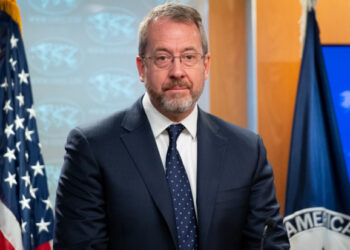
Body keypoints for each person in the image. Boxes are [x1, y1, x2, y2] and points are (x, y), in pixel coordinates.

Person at [54, 2, 290, 250]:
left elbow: (269, 244)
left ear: (206, 65)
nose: (177, 71)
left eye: (189, 57)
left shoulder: (247, 151)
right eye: (163, 58)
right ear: (141, 68)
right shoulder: (92, 147)